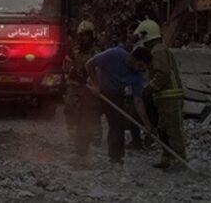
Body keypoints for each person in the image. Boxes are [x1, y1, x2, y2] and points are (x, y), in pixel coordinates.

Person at [85, 45, 154, 165]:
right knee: (86, 119)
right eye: (141, 65)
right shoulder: (114, 54)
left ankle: (116, 158)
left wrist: (147, 125)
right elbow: (89, 64)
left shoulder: (137, 76)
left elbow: (138, 101)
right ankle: (80, 151)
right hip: (97, 90)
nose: (141, 69)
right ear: (133, 58)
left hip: (115, 95)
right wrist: (96, 85)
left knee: (117, 126)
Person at [137, 19, 186, 172]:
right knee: (163, 130)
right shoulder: (159, 49)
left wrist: (148, 89)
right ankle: (167, 159)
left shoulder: (157, 50)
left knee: (173, 130)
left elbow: (162, 74)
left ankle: (179, 161)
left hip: (169, 96)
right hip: (164, 97)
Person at [63, 20, 102, 158]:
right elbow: (66, 65)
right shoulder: (73, 50)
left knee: (92, 110)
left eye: (86, 35)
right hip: (74, 84)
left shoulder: (97, 52)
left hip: (90, 86)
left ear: (92, 36)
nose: (83, 38)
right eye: (81, 35)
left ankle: (95, 138)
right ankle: (72, 139)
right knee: (70, 106)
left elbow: (101, 69)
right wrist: (72, 70)